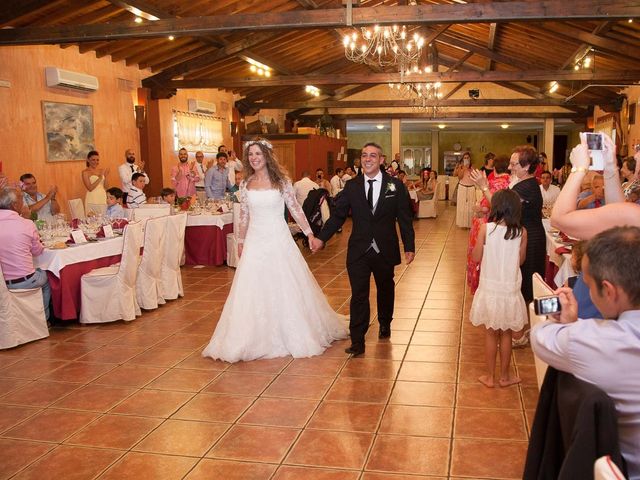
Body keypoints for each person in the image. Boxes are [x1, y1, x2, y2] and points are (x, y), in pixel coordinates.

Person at [202, 138, 348, 362]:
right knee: (252, 287)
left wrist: (309, 233)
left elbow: (295, 209)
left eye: (258, 154)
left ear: (267, 156)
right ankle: (250, 337)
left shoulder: (282, 181)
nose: (254, 158)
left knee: (284, 283)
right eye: (251, 155)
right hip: (255, 240)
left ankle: (291, 331)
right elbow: (244, 215)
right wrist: (240, 241)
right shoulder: (246, 183)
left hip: (278, 239)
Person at [531, 226, 640, 479]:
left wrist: (565, 322)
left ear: (610, 291)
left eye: (588, 286)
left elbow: (540, 337)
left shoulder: (608, 342)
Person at [311, 142, 415, 356]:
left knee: (386, 288)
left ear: (381, 160)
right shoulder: (352, 186)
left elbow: (404, 219)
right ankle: (358, 340)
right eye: (365, 155)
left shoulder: (394, 186)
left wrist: (409, 246)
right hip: (359, 249)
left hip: (385, 248)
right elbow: (338, 215)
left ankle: (385, 322)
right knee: (359, 294)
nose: (368, 159)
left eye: (373, 156)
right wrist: (321, 238)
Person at [470, 190, 528, 387]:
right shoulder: (522, 232)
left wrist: (483, 246)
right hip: (509, 289)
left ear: (496, 207)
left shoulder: (487, 229)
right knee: (507, 334)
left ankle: (490, 376)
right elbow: (520, 261)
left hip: (490, 287)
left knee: (490, 332)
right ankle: (505, 376)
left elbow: (476, 257)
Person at [551, 132, 639, 241]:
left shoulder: (635, 214)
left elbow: (558, 220)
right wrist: (610, 166)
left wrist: (578, 168)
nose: (635, 155)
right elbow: (617, 210)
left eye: (638, 149)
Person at [0, 187, 51, 321]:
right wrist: (27, 220)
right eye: (22, 200)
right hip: (25, 281)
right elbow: (37, 251)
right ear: (14, 205)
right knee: (47, 276)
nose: (24, 203)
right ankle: (42, 320)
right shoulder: (26, 224)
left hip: (2, 283)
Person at [468, 155, 511, 294]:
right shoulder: (510, 181)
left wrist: (478, 209)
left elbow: (490, 206)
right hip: (502, 225)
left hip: (488, 224)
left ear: (495, 168)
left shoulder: (495, 183)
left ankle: (482, 284)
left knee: (482, 258)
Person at [454, 152, 476, 228]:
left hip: (471, 187)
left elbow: (475, 177)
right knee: (462, 205)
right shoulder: (461, 166)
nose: (466, 159)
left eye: (467, 157)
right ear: (463, 159)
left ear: (470, 159)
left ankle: (470, 223)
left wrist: (471, 169)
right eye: (465, 158)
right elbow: (459, 177)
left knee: (471, 205)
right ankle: (462, 224)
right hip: (462, 187)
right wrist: (463, 169)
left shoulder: (473, 166)